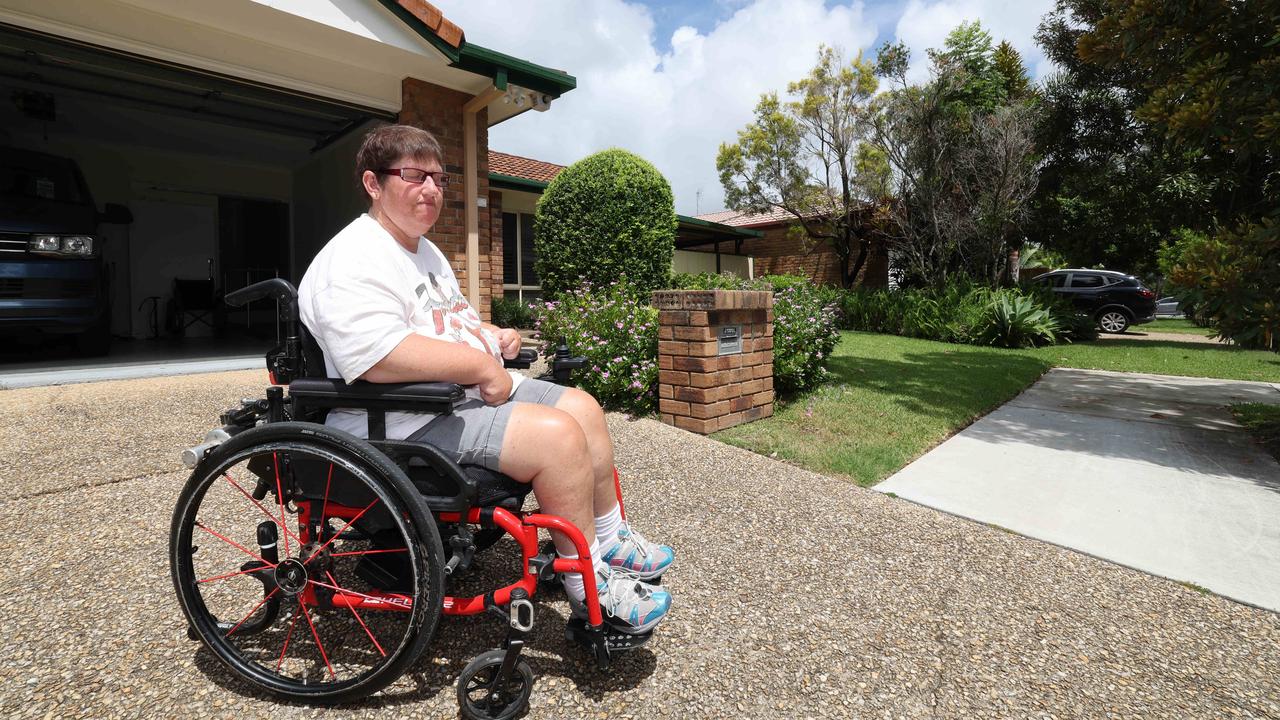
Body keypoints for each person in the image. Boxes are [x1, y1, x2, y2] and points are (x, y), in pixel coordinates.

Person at [298, 124, 672, 634]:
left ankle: (609, 541)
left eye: (437, 177)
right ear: (372, 183)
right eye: (413, 175)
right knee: (558, 439)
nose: (430, 188)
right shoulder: (352, 257)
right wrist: (478, 366)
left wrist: (490, 336)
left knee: (583, 406)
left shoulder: (424, 251)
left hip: (454, 398)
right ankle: (593, 591)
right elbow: (376, 357)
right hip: (401, 418)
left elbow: (443, 324)